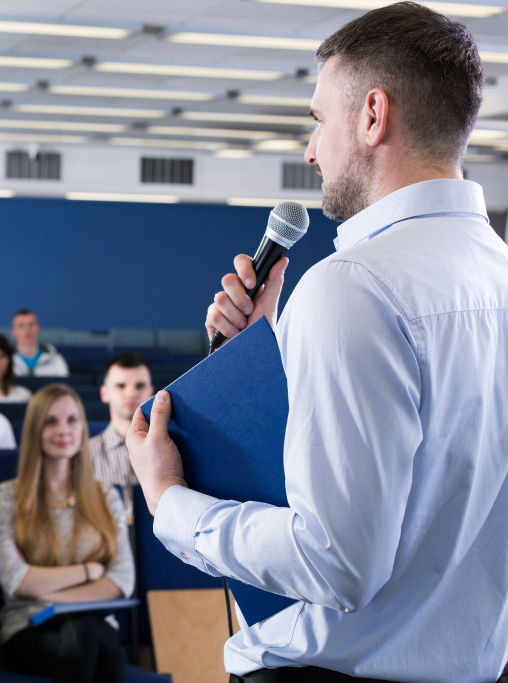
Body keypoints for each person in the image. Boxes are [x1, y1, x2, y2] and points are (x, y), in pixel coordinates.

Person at [127, 4, 508, 682]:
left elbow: (337, 560)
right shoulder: (497, 276)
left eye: (317, 121)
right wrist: (269, 359)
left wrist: (170, 502)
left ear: (371, 115)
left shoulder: (354, 285)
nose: (310, 150)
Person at [0, 383, 134, 683]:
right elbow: (15, 580)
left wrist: (47, 592)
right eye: (50, 421)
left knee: (87, 630)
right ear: (34, 430)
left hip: (93, 624)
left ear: (83, 427)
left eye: (72, 420)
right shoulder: (8, 497)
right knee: (91, 643)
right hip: (28, 629)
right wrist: (89, 570)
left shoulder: (106, 495)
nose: (63, 430)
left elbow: (122, 580)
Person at [90, 352, 154, 523]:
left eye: (140, 386)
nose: (131, 393)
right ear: (104, 393)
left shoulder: (171, 448)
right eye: (120, 386)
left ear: (150, 393)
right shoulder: (84, 454)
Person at [10, 310, 69, 378]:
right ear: (13, 332)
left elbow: (63, 386)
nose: (27, 329)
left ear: (38, 329)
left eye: (31, 324)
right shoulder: (5, 361)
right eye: (21, 326)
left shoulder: (56, 360)